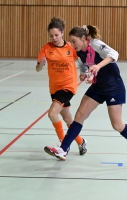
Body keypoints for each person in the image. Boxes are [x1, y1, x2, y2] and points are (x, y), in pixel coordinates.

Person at [44, 25, 127, 164]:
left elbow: (114, 54)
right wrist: (85, 74)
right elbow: (83, 66)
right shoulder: (80, 52)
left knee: (117, 125)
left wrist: (98, 66)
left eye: (74, 41)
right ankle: (63, 149)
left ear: (83, 38)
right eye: (71, 42)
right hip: (98, 87)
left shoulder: (95, 44)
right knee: (79, 115)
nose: (72, 45)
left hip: (113, 87)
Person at [36, 17, 87, 155]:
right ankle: (81, 142)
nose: (54, 38)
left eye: (56, 35)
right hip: (54, 88)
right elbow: (38, 69)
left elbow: (82, 59)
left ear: (62, 33)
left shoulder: (70, 47)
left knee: (52, 114)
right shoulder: (46, 48)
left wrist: (84, 71)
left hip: (68, 86)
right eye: (51, 35)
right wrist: (41, 63)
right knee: (68, 119)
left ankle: (63, 146)